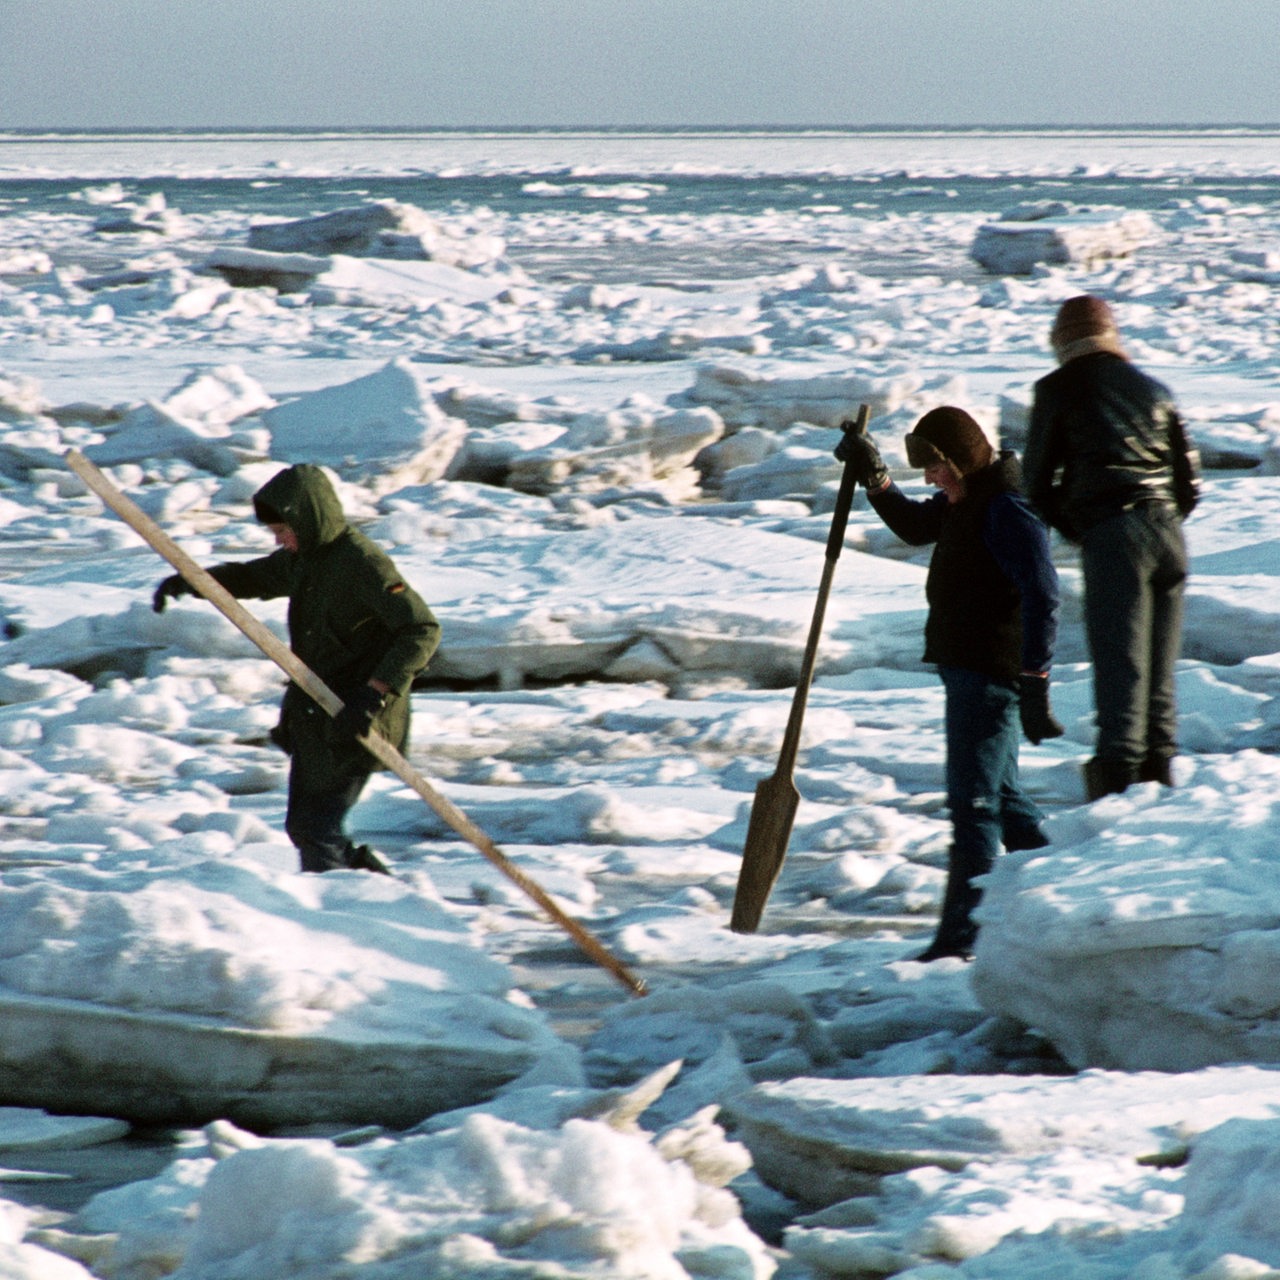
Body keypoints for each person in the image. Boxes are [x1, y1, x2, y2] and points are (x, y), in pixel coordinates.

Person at [835, 407, 1061, 961]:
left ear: (961, 459)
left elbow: (1044, 595)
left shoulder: (1005, 509)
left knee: (974, 806)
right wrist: (874, 475)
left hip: (989, 676)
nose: (931, 479)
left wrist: (1034, 682)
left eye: (936, 467)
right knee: (1004, 802)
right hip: (968, 670)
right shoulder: (968, 499)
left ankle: (963, 939)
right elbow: (914, 527)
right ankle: (1062, 896)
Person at [153, 463, 441, 874]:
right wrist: (193, 581)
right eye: (276, 534)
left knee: (316, 827)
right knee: (307, 827)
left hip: (358, 716)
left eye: (284, 531)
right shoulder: (305, 559)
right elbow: (255, 576)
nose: (281, 541)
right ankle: (377, 893)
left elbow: (421, 629)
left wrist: (373, 693)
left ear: (309, 520)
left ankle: (342, 909)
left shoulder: (361, 564)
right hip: (318, 717)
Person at [1023, 295, 1201, 801]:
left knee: (1121, 663)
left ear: (1062, 341)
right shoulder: (1156, 390)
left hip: (1113, 531)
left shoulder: (1057, 389)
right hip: (1169, 534)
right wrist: (1158, 519)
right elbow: (1190, 484)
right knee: (1159, 665)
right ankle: (1161, 773)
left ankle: (1118, 784)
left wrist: (1084, 528)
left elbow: (1035, 483)